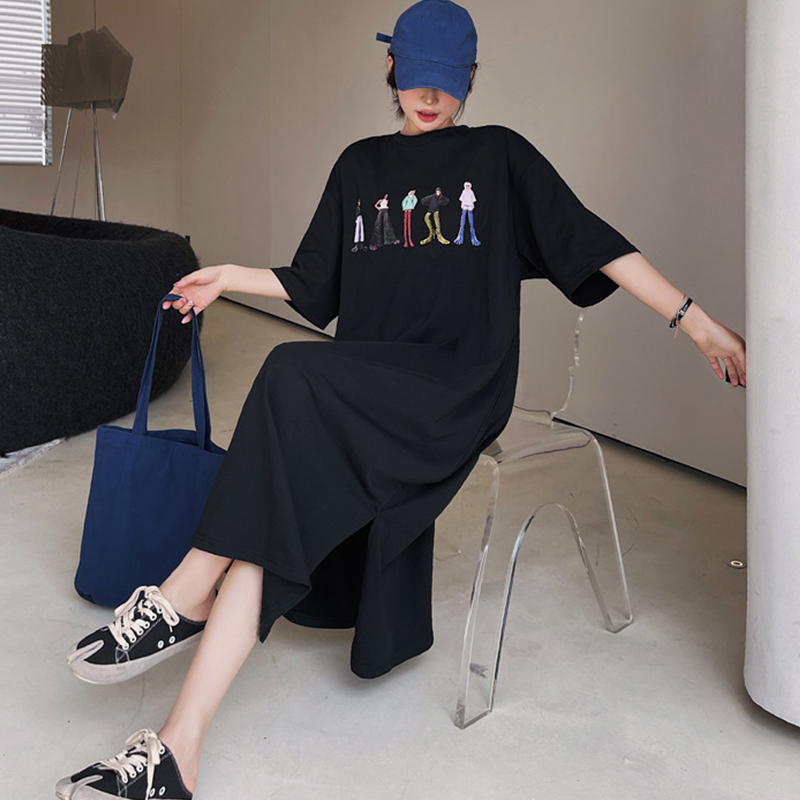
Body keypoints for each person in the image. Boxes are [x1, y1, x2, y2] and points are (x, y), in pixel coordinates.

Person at [56, 1, 747, 798]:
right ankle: (177, 752)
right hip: (366, 387)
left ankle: (184, 593)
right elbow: (313, 284)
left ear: (472, 78)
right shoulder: (360, 166)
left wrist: (697, 324)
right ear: (390, 68)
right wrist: (229, 277)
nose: (430, 96)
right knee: (271, 504)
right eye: (417, 77)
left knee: (289, 376)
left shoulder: (499, 156)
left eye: (447, 82)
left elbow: (594, 243)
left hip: (457, 388)